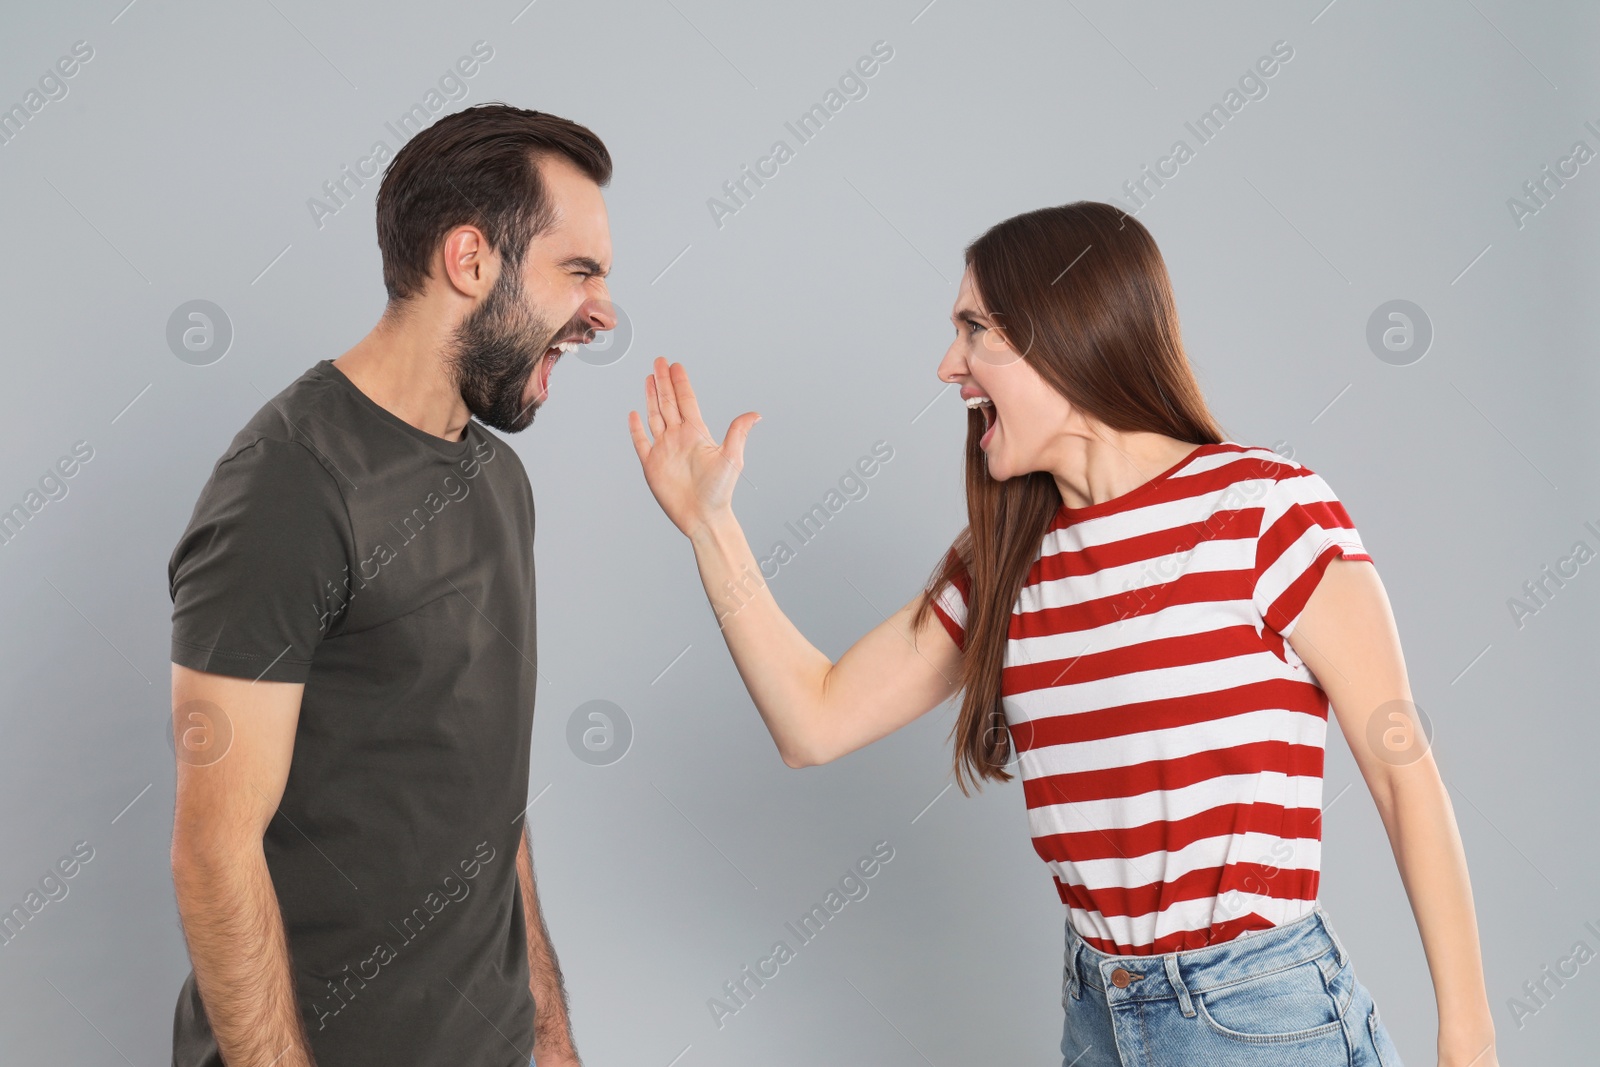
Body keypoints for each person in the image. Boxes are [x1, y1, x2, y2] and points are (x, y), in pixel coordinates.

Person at [628, 201, 1499, 1066]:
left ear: (1061, 331)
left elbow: (1400, 771)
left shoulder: (1264, 509)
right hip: (1098, 1014)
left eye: (975, 329)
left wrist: (1468, 1040)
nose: (947, 366)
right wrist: (713, 528)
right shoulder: (1002, 563)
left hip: (1254, 1014)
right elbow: (811, 721)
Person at [166, 103, 614, 1067]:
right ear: (470, 261)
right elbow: (214, 853)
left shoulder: (499, 482)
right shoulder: (291, 482)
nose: (602, 312)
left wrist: (550, 1037)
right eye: (578, 272)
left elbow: (490, 803)